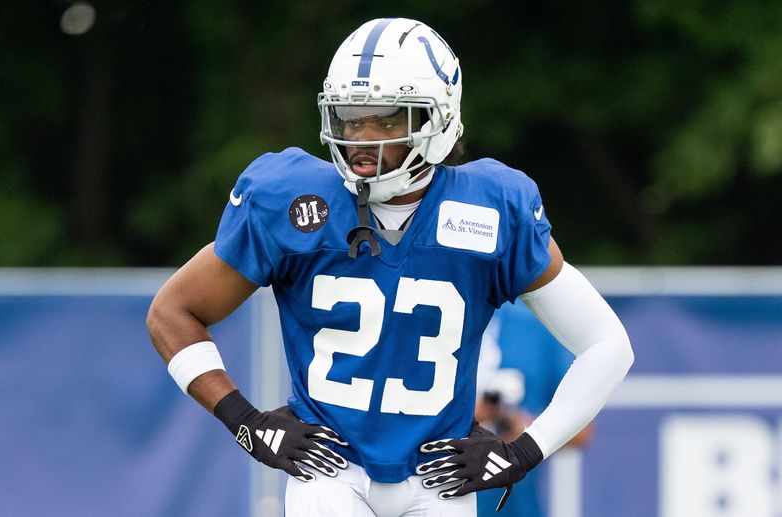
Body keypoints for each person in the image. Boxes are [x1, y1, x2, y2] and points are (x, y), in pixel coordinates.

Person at [146, 17, 633, 517]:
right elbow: (172, 312)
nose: (362, 140)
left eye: (386, 120)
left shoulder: (493, 207)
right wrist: (243, 419)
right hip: (327, 470)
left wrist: (524, 451)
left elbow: (607, 345)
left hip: (440, 476)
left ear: (436, 120)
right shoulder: (290, 198)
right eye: (351, 119)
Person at [474, 301, 594, 517]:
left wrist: (528, 432)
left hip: (514, 507)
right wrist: (468, 416)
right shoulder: (425, 309)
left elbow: (581, 431)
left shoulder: (532, 325)